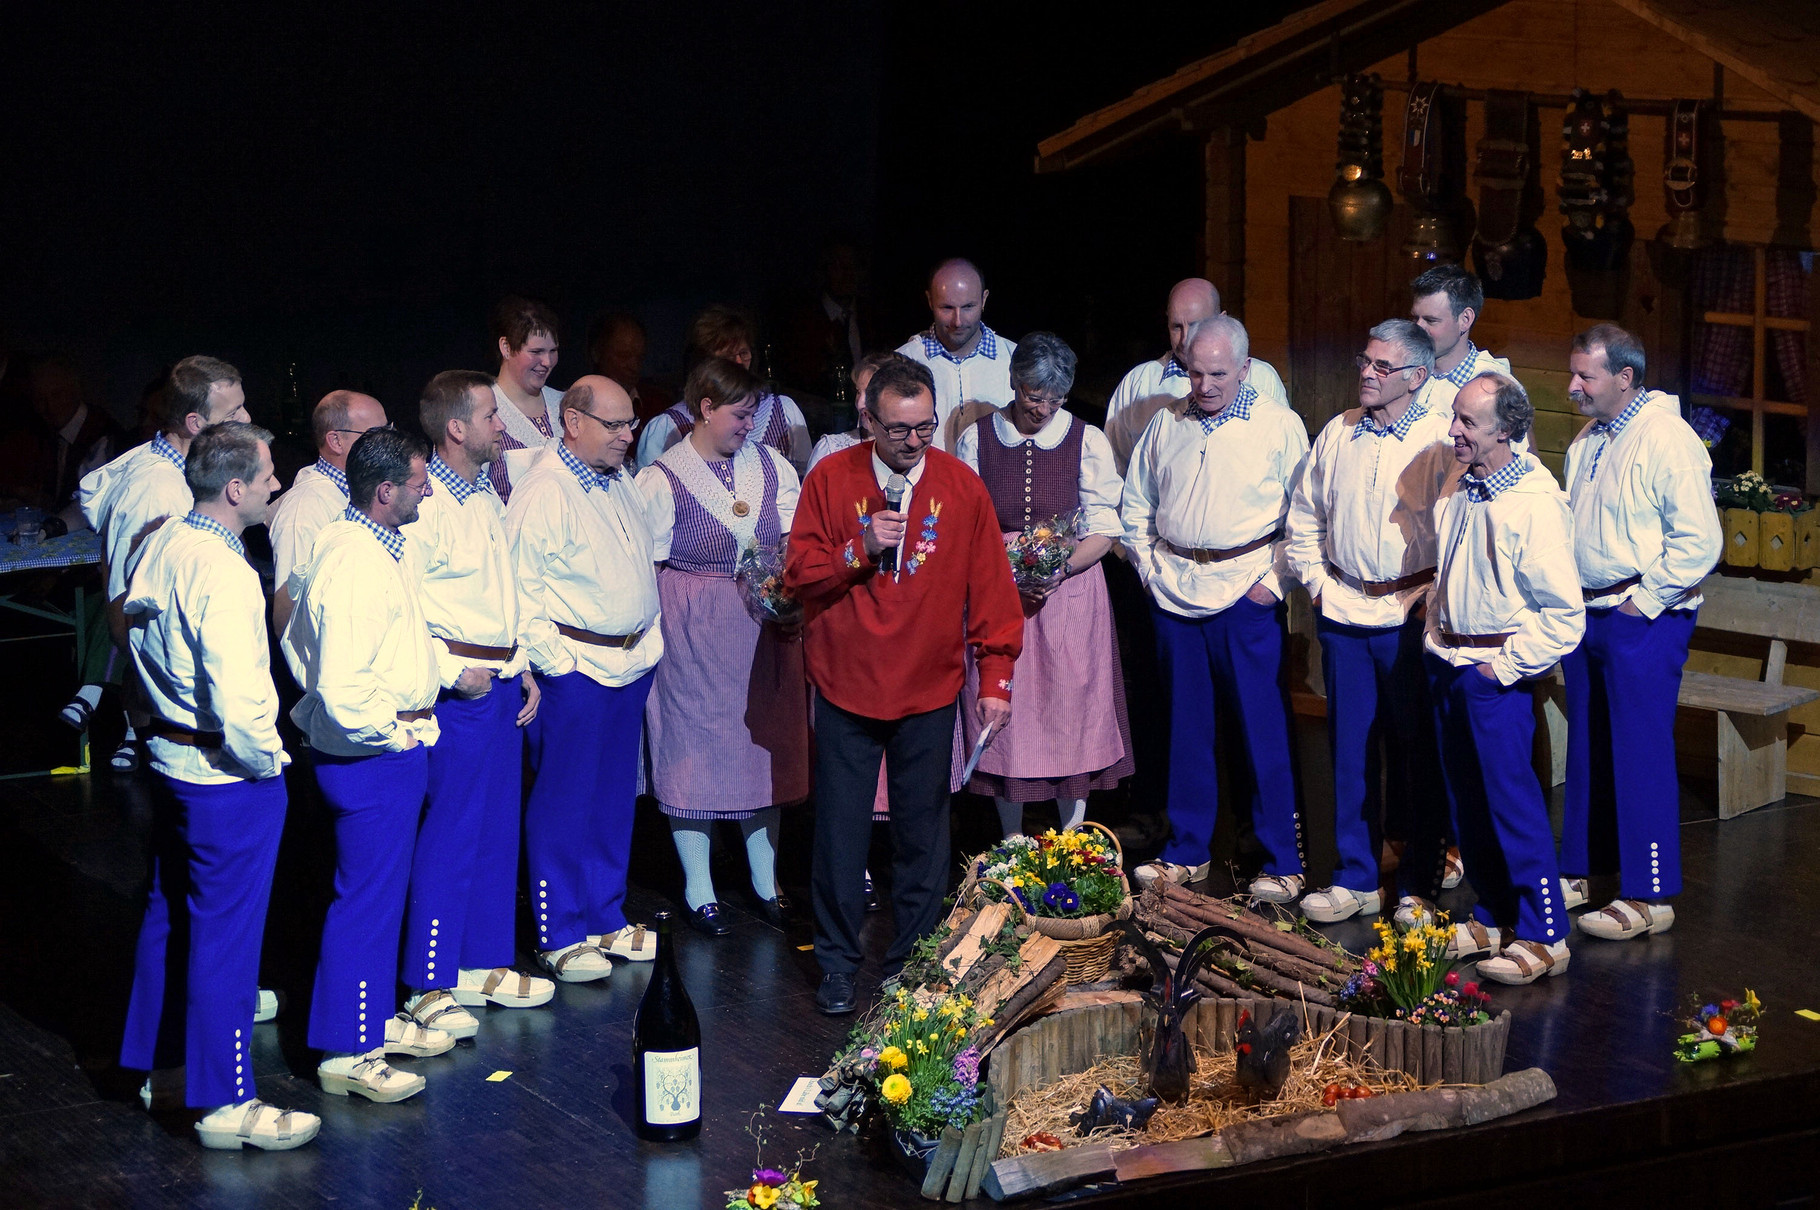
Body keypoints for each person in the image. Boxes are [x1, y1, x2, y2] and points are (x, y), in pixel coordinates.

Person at [786, 357, 1023, 1016]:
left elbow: (993, 594)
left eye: (923, 428)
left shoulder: (961, 487)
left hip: (927, 689)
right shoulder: (832, 478)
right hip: (846, 688)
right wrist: (857, 546)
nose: (913, 442)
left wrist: (995, 676)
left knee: (924, 839)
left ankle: (914, 966)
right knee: (839, 835)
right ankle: (836, 964)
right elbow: (798, 572)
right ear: (869, 419)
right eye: (898, 430)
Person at [118, 422, 318, 1150]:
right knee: (226, 943)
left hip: (174, 763)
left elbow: (133, 634)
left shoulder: (166, 542)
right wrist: (267, 761)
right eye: (267, 474)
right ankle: (226, 1100)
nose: (276, 483)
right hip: (224, 777)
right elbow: (238, 701)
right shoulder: (226, 572)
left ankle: (164, 1069)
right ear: (234, 488)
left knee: (170, 918)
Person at [1120, 315, 1309, 901]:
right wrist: (1150, 572)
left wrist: (1271, 587)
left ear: (1246, 369)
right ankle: (1187, 850)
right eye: (1195, 372)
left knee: (1262, 730)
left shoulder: (1279, 427)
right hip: (1175, 591)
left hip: (1243, 591)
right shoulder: (1166, 423)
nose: (1203, 385)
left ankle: (1283, 858)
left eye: (1218, 374)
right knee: (1185, 728)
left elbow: (1305, 517)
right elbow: (1135, 503)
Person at [394, 371, 557, 1044]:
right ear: (455, 428)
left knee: (496, 830)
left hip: (498, 682)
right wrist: (448, 674)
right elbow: (405, 605)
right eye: (491, 414)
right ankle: (429, 980)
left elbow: (503, 587)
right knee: (451, 835)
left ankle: (480, 961)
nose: (502, 424)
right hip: (457, 693)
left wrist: (520, 665)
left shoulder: (485, 495)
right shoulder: (425, 506)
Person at [282, 429, 443, 1102]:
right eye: (416, 482)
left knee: (378, 899)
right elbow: (342, 685)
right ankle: (348, 1050)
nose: (428, 490)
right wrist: (395, 732)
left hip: (384, 750)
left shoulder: (372, 546)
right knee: (366, 906)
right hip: (372, 755)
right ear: (384, 493)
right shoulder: (352, 559)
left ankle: (368, 1021)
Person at [1286, 320, 1454, 924]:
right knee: (1350, 750)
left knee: (1415, 753)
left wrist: (1432, 595)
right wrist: (1318, 587)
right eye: (1365, 360)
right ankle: (1355, 876)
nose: (1366, 373)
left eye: (1382, 367)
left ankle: (1415, 884)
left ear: (1417, 376)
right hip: (1344, 613)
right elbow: (1304, 516)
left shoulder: (1440, 441)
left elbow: (1461, 529)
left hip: (1407, 617)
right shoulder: (1339, 432)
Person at [1560, 325, 1721, 942]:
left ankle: (1650, 894)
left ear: (1624, 378)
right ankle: (1584, 868)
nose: (1573, 387)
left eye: (1585, 376)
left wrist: (1643, 603)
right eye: (1573, 375)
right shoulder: (1588, 439)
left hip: (1643, 615)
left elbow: (1699, 541)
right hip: (1589, 612)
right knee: (1589, 747)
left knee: (1640, 750)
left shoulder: (1668, 439)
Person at [637, 357, 807, 935]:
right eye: (739, 413)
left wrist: (786, 595)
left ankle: (766, 879)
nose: (748, 424)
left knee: (758, 752)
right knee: (695, 748)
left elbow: (789, 537)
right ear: (705, 409)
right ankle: (699, 886)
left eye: (754, 413)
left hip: (759, 626)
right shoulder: (662, 478)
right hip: (694, 630)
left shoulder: (769, 464)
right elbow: (649, 563)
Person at [1426, 373, 1584, 986]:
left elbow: (1565, 615)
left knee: (1514, 806)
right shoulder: (1463, 485)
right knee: (1467, 803)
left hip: (1495, 674)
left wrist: (1505, 668)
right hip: (1452, 662)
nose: (1454, 431)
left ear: (1507, 431)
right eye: (1455, 418)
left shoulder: (1534, 502)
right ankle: (1492, 914)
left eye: (1468, 422)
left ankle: (1547, 932)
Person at [507, 376, 664, 983]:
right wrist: (560, 665)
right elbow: (524, 592)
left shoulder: (617, 478)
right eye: (615, 425)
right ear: (573, 422)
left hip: (626, 668)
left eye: (631, 423)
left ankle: (603, 914)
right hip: (578, 670)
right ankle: (560, 932)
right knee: (564, 804)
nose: (629, 435)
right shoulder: (545, 490)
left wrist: (646, 647)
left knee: (611, 799)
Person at [953, 332, 1132, 837]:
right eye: (1035, 396)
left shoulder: (1085, 439)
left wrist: (1060, 569)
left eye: (1055, 399)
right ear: (1015, 384)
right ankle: (1012, 842)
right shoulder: (979, 438)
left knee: (1070, 709)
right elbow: (968, 524)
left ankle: (1072, 839)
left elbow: (1102, 527)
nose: (1044, 408)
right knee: (1004, 709)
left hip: (1070, 594)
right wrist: (1004, 573)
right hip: (998, 587)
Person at [79, 356, 250, 772]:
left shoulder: (187, 475)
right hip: (175, 714)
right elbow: (127, 607)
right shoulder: (156, 489)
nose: (246, 419)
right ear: (194, 423)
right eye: (233, 413)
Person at [1102, 278, 1292, 475]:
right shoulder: (1139, 383)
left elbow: (1283, 453)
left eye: (1195, 326)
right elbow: (1115, 465)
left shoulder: (1260, 377)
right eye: (1176, 327)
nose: (1185, 340)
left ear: (1221, 319)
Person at [269, 390, 390, 635]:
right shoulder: (304, 510)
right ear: (336, 441)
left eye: (389, 430)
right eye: (377, 434)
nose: (389, 443)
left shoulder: (362, 493)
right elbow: (290, 615)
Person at [636, 305, 811, 474]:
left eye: (743, 353)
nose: (739, 363)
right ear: (703, 361)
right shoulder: (669, 427)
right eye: (728, 356)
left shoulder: (784, 411)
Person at [895, 258, 1017, 453]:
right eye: (947, 308)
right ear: (930, 301)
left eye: (968, 307)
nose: (958, 321)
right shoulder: (901, 363)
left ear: (984, 300)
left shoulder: (1015, 360)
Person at [487, 296, 565, 501]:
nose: (547, 362)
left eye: (553, 351)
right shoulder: (483, 412)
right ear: (506, 347)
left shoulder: (566, 405)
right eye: (536, 351)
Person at [1409, 264, 1512, 418]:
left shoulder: (1494, 386)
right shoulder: (1401, 369)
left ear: (1465, 319)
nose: (1418, 327)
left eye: (1431, 320)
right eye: (1414, 318)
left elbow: (1517, 441)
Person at [808, 351, 900, 471]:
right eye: (858, 392)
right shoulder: (831, 451)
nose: (860, 403)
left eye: (871, 393)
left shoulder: (915, 452)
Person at [587, 310, 673, 425]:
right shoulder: (575, 405)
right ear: (597, 353)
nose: (634, 366)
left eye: (640, 358)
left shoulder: (659, 408)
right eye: (624, 356)